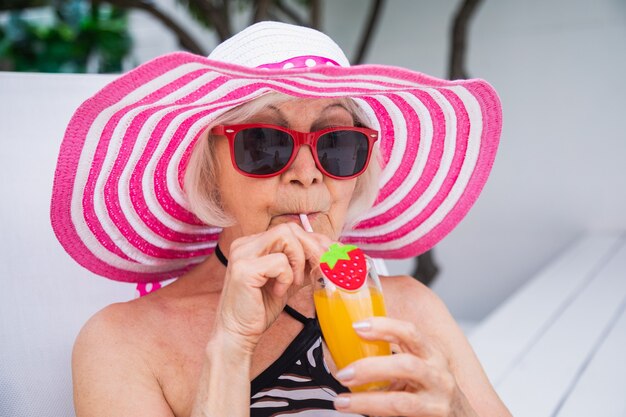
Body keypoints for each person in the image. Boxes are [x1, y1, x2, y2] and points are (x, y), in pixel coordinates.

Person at [50, 22, 509, 417]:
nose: (307, 175)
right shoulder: (126, 342)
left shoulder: (412, 309)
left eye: (337, 145)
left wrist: (456, 410)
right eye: (264, 143)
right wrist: (229, 348)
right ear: (211, 174)